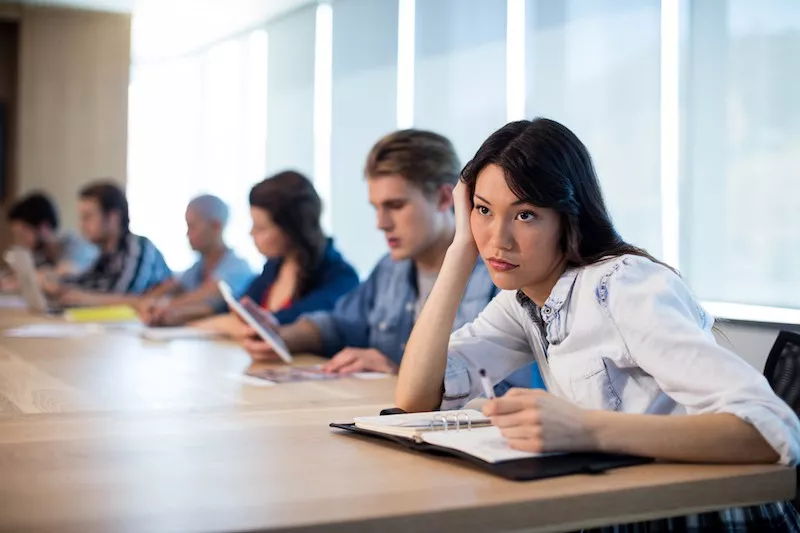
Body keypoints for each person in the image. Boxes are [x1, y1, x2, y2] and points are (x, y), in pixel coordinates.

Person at [395, 118, 800, 530]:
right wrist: (461, 249)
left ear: (568, 218)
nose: (498, 239)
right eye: (483, 210)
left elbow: (771, 431)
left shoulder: (622, 285)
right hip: (620, 506)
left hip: (697, 515)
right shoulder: (523, 299)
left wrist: (584, 429)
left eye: (526, 215)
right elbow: (416, 397)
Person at [240, 130, 527, 386]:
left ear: (443, 199)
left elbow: (509, 391)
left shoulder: (500, 274)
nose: (381, 223)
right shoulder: (390, 269)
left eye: (395, 205)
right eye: (376, 207)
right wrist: (283, 336)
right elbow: (338, 325)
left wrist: (399, 373)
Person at [193, 171, 359, 336]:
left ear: (292, 229)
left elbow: (272, 324)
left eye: (261, 228)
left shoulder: (340, 278)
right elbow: (239, 313)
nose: (251, 233)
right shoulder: (274, 267)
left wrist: (227, 323)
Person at [45, 181, 172, 306]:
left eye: (88, 217)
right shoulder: (106, 255)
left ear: (113, 218)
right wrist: (57, 284)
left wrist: (84, 298)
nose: (81, 225)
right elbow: (86, 283)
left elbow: (126, 297)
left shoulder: (138, 247)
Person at [138, 195, 254, 326]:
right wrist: (150, 302)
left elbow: (210, 295)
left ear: (216, 226)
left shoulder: (238, 268)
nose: (187, 234)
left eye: (192, 227)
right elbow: (172, 287)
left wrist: (161, 306)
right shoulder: (197, 267)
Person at [5, 192, 98, 280]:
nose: (19, 242)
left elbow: (67, 274)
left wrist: (29, 277)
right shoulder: (39, 255)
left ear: (44, 228)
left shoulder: (76, 245)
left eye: (23, 235)